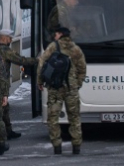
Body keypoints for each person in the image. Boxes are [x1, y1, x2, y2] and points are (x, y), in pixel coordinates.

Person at [37, 27, 87, 155]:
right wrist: (77, 84)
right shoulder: (76, 49)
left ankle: (57, 146)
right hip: (71, 89)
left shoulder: (53, 47)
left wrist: (40, 81)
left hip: (55, 88)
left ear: (60, 35)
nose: (54, 36)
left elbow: (42, 63)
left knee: (53, 118)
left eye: (56, 33)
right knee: (74, 118)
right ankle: (76, 146)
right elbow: (82, 69)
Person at [0, 29, 37, 140]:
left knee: (0, 109)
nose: (11, 40)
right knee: (2, 109)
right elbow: (21, 60)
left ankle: (7, 131)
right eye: (10, 38)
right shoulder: (5, 50)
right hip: (1, 84)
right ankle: (2, 133)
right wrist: (37, 60)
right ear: (4, 38)